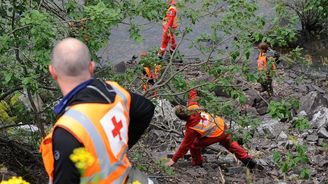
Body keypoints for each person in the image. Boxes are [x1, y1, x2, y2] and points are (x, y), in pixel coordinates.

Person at [40, 38, 155, 184]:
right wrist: (121, 149)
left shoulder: (68, 130)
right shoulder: (116, 92)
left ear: (53, 71)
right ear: (91, 67)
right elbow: (146, 109)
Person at [165, 89, 262, 170]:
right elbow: (192, 96)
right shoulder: (193, 107)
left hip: (215, 134)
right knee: (230, 143)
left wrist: (173, 160)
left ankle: (197, 163)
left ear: (181, 118)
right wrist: (191, 88)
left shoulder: (191, 128)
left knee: (194, 145)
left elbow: (184, 146)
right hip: (221, 125)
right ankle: (246, 158)